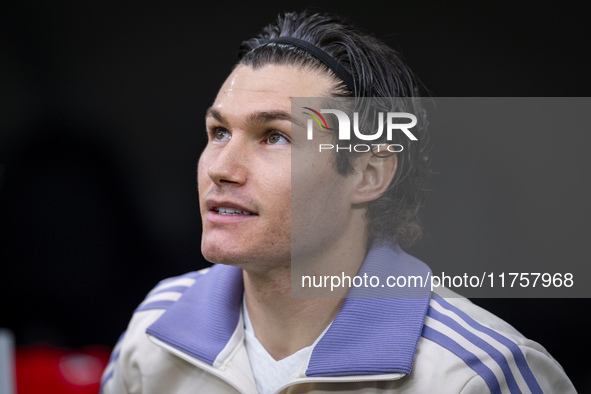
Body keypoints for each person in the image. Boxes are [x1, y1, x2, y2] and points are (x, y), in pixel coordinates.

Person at [100, 11, 576, 394]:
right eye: (219, 131)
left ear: (368, 175)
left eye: (274, 137)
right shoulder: (156, 329)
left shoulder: (475, 374)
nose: (222, 167)